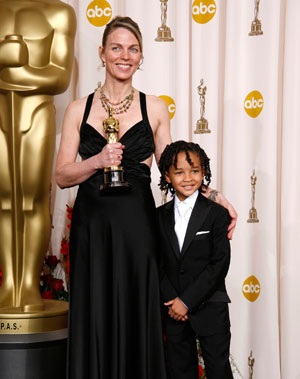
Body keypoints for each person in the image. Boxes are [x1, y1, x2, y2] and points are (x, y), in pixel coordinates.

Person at [55, 16, 236, 379]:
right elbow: (61, 175)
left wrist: (214, 195)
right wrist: (97, 161)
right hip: (92, 229)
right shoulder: (79, 109)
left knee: (138, 309)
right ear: (102, 53)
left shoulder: (154, 108)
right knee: (95, 310)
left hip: (138, 229)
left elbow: (173, 168)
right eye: (116, 47)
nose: (125, 55)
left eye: (133, 49)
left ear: (141, 56)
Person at [0, 0, 76, 312]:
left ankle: (29, 282)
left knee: (31, 200)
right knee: (5, 200)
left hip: (36, 115)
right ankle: (8, 284)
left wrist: (15, 71)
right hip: (3, 114)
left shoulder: (57, 12)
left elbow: (58, 77)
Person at [157, 140, 233, 379]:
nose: (188, 178)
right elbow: (155, 262)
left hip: (210, 305)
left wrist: (187, 301)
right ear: (167, 177)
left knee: (219, 370)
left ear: (203, 173)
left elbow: (219, 264)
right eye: (179, 172)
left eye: (195, 171)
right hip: (173, 311)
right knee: (179, 371)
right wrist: (172, 299)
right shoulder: (158, 217)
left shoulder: (217, 214)